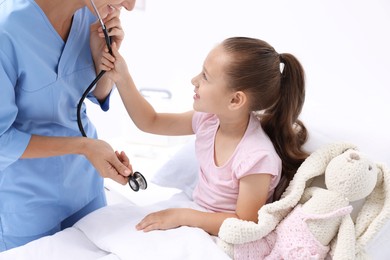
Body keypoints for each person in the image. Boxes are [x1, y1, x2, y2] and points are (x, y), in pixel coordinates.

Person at [100, 36, 309, 236]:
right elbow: (150, 121)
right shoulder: (208, 120)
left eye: (205, 77)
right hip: (195, 213)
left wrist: (182, 216)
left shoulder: (257, 157)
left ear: (235, 100)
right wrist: (122, 77)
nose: (194, 80)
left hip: (219, 234)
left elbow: (245, 224)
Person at [0, 0, 137, 251]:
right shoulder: (6, 30)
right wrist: (85, 146)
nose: (130, 6)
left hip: (85, 186)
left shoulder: (89, 17)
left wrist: (103, 59)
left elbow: (94, 93)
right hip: (26, 201)